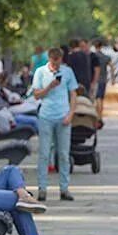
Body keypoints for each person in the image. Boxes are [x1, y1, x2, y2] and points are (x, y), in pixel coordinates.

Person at [31, 46, 78, 202]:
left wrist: (71, 114)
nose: (56, 66)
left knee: (63, 154)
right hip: (46, 116)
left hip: (63, 116)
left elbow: (73, 94)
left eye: (58, 62)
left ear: (61, 59)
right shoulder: (40, 72)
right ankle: (42, 188)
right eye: (53, 62)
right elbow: (36, 95)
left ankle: (64, 189)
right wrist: (49, 86)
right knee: (44, 154)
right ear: (49, 59)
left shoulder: (67, 72)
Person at [66, 39, 94, 109]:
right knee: (85, 101)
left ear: (70, 47)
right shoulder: (85, 55)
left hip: (75, 82)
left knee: (74, 101)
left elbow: (69, 71)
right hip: (85, 81)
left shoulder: (70, 56)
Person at [89, 37, 110, 119]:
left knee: (94, 98)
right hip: (103, 79)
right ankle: (100, 116)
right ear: (101, 46)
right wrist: (113, 78)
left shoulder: (92, 56)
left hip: (93, 80)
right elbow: (112, 67)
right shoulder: (105, 57)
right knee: (100, 98)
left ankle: (95, 115)